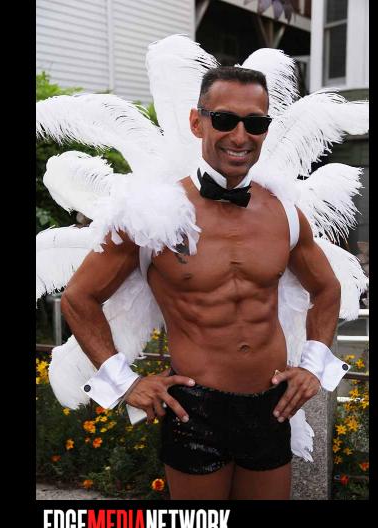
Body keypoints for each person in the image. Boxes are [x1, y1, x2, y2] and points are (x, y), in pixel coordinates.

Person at [59, 66, 349, 500]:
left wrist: (314, 366)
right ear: (197, 122)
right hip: (195, 410)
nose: (240, 135)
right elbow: (79, 297)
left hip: (271, 405)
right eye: (225, 119)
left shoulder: (285, 213)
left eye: (255, 123)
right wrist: (126, 383)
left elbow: (327, 289)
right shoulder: (152, 214)